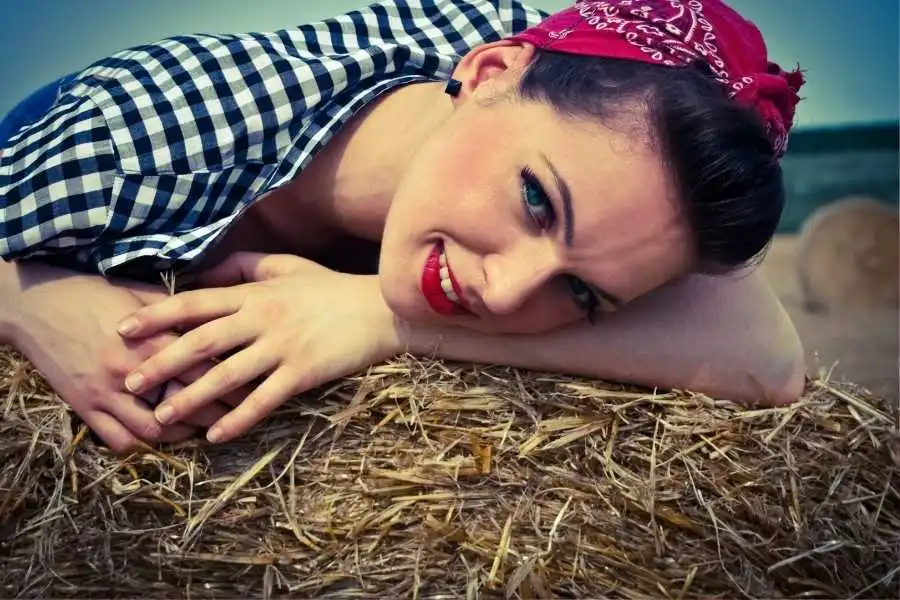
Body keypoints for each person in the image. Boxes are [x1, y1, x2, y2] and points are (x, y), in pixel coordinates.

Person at [0, 0, 806, 452]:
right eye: (536, 202)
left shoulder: (592, 78)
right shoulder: (129, 144)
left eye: (582, 294)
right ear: (487, 71)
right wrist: (28, 298)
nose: (504, 291)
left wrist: (375, 319)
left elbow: (768, 361)